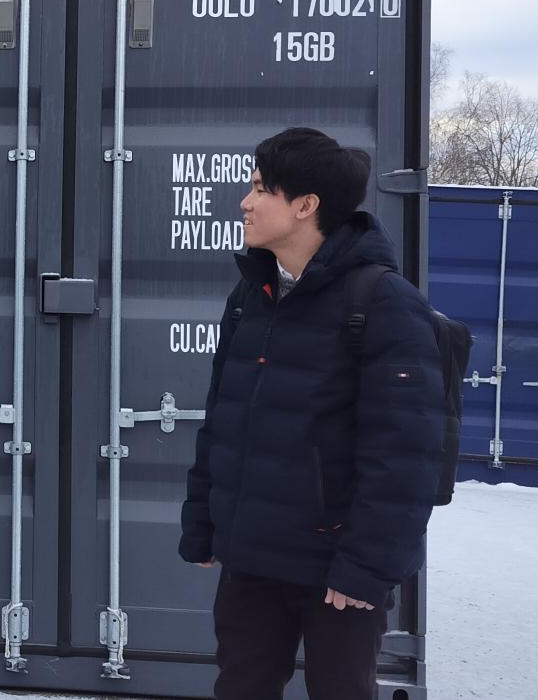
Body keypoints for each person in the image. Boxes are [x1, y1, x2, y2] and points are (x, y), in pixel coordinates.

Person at [179, 127, 447, 700]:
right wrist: (205, 522)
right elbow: (223, 419)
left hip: (337, 570)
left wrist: (366, 567)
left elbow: (407, 455)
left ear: (305, 206)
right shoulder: (251, 295)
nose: (245, 202)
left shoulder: (383, 302)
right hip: (253, 559)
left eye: (260, 189)